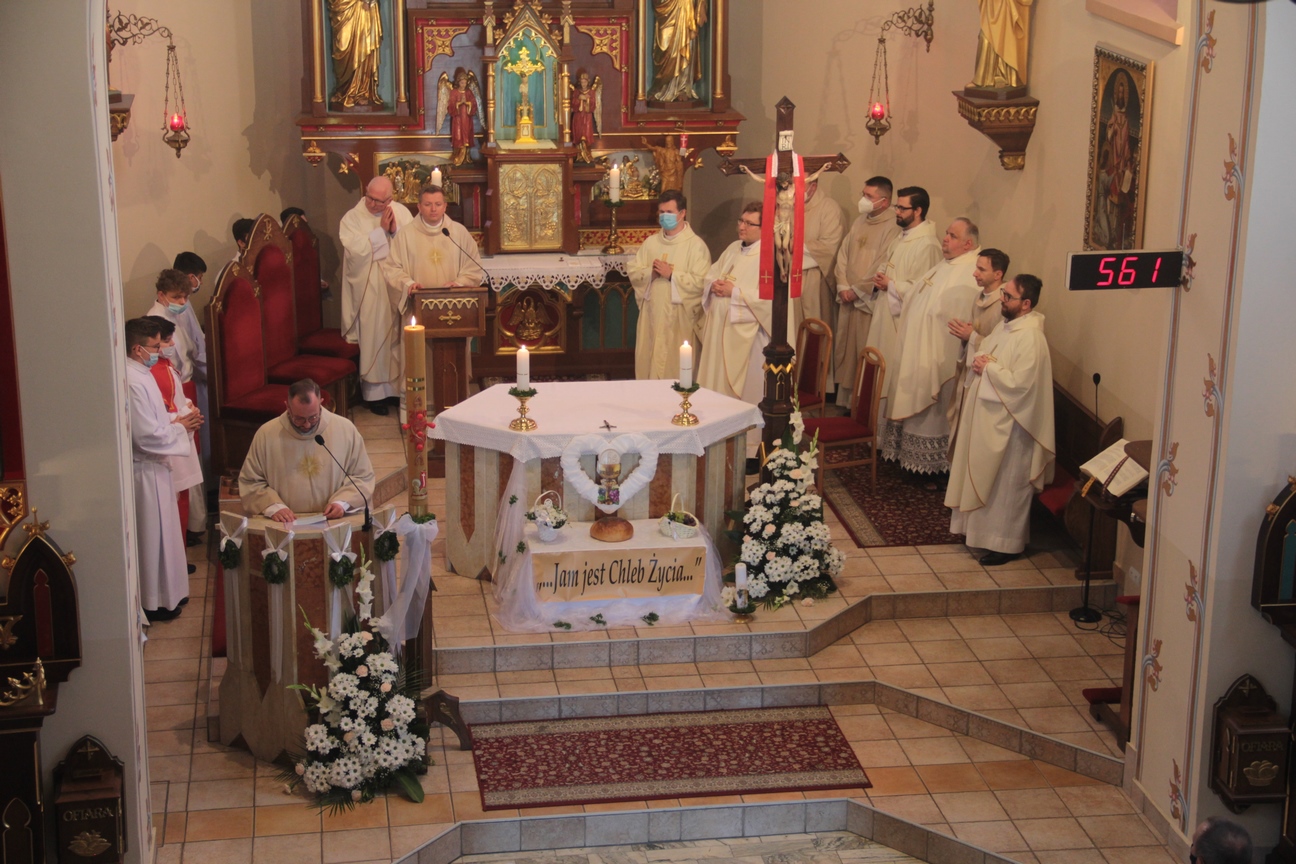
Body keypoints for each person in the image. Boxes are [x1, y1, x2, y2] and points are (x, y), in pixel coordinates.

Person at [945, 274, 1054, 565]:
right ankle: (980, 535)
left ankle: (1006, 545)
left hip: (1013, 430)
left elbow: (1022, 386)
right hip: (989, 419)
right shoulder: (1005, 328)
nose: (1002, 300)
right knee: (988, 484)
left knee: (1006, 488)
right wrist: (980, 360)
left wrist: (989, 368)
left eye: (1008, 296)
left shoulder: (1031, 338)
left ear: (1026, 304)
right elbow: (984, 354)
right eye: (1004, 293)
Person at [882, 217, 981, 477]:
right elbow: (917, 294)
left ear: (968, 244)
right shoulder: (945, 264)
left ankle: (932, 467)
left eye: (953, 236)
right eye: (947, 233)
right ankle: (909, 459)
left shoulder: (970, 273)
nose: (945, 239)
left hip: (939, 357)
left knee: (935, 411)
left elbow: (955, 315)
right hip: (918, 349)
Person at [125, 317, 202, 621]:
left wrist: (180, 420)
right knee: (152, 538)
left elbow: (156, 420)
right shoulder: (132, 381)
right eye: (155, 346)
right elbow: (145, 435)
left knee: (166, 535)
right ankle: (153, 601)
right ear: (137, 348)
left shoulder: (142, 373)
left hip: (158, 467)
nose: (160, 350)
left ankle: (170, 594)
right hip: (144, 470)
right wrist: (181, 427)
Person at [239, 379, 375, 523]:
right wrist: (274, 507)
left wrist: (342, 502)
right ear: (287, 407)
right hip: (286, 523)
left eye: (313, 417)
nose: (307, 425)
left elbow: (362, 476)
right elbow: (251, 482)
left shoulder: (345, 429)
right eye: (299, 419)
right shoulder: (266, 434)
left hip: (333, 521)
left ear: (321, 403)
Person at [697, 202, 794, 405]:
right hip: (719, 332)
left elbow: (772, 301)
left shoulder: (771, 257)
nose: (742, 227)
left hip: (748, 340)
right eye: (741, 221)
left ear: (764, 228)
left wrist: (734, 293)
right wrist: (713, 284)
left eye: (749, 223)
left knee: (745, 396)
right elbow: (711, 274)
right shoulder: (733, 248)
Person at [864, 186, 943, 418]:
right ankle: (872, 423)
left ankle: (888, 422)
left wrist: (891, 284)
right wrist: (881, 277)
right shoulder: (902, 237)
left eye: (902, 208)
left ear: (918, 210)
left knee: (891, 371)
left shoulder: (928, 245)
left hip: (900, 321)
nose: (896, 212)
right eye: (896, 206)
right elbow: (889, 265)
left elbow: (925, 291)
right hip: (885, 311)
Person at [339, 175, 413, 415]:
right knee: (375, 334)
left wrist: (394, 231)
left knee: (397, 336)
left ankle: (396, 391)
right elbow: (355, 253)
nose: (373, 204)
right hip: (369, 287)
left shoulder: (401, 213)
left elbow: (411, 245)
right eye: (370, 198)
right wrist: (380, 232)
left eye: (380, 201)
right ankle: (374, 395)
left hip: (396, 285)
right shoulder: (352, 218)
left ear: (390, 199)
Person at [147, 269, 208, 541]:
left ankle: (195, 523)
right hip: (171, 395)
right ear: (161, 295)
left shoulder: (179, 313)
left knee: (193, 459)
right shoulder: (154, 321)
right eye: (176, 297)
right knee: (182, 464)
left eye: (185, 297)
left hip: (184, 389)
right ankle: (188, 528)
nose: (182, 302)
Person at [626, 190, 711, 380]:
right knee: (649, 366)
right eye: (662, 212)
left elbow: (702, 283)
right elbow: (634, 271)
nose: (665, 216)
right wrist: (651, 274)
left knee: (675, 370)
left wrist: (672, 276)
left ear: (682, 213)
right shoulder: (650, 243)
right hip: (652, 316)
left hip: (679, 321)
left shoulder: (696, 246)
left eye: (670, 212)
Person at [833, 177, 902, 408]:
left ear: (884, 201)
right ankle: (846, 403)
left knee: (864, 350)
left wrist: (857, 289)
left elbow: (883, 262)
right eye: (864, 194)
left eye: (869, 196)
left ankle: (862, 406)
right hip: (848, 297)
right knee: (847, 352)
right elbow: (843, 254)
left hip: (867, 300)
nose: (863, 200)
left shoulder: (893, 226)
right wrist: (843, 285)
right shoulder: (860, 220)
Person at [146, 315, 204, 567]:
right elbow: (163, 412)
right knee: (176, 506)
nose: (171, 345)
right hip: (169, 445)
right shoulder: (153, 372)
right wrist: (184, 416)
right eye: (166, 341)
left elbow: (176, 400)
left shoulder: (164, 365)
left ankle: (179, 559)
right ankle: (176, 561)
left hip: (178, 436)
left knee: (181, 503)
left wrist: (188, 407)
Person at [946, 247, 1009, 450]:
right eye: (976, 268)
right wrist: (967, 337)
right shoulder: (978, 297)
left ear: (998, 274)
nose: (975, 273)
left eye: (981, 270)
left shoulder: (1004, 304)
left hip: (988, 379)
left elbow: (1002, 347)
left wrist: (971, 336)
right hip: (971, 370)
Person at [799, 174, 846, 335]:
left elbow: (829, 248)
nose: (792, 190)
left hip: (816, 279)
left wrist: (794, 247)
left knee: (815, 324)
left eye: (798, 185)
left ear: (813, 187)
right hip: (790, 278)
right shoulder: (788, 206)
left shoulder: (829, 208)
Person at [327, 0, 384, 109]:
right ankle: (342, 90)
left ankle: (363, 92)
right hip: (343, 7)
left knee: (362, 48)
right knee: (342, 45)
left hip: (362, 7)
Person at [649, 0, 707, 102]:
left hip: (685, 6)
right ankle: (661, 88)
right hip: (666, 8)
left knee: (685, 46)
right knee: (665, 49)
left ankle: (682, 88)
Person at [969, 0, 1033, 89]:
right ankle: (984, 79)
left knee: (1005, 39)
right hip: (990, 7)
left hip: (1006, 7)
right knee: (985, 38)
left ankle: (1006, 77)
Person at [571, 73, 600, 164]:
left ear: (588, 82)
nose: (583, 84)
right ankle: (579, 155)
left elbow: (593, 105)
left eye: (585, 82)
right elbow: (573, 104)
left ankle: (586, 154)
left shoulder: (591, 92)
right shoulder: (576, 92)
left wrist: (587, 100)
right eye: (582, 82)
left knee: (586, 135)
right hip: (578, 116)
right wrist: (579, 99)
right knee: (578, 134)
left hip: (587, 117)